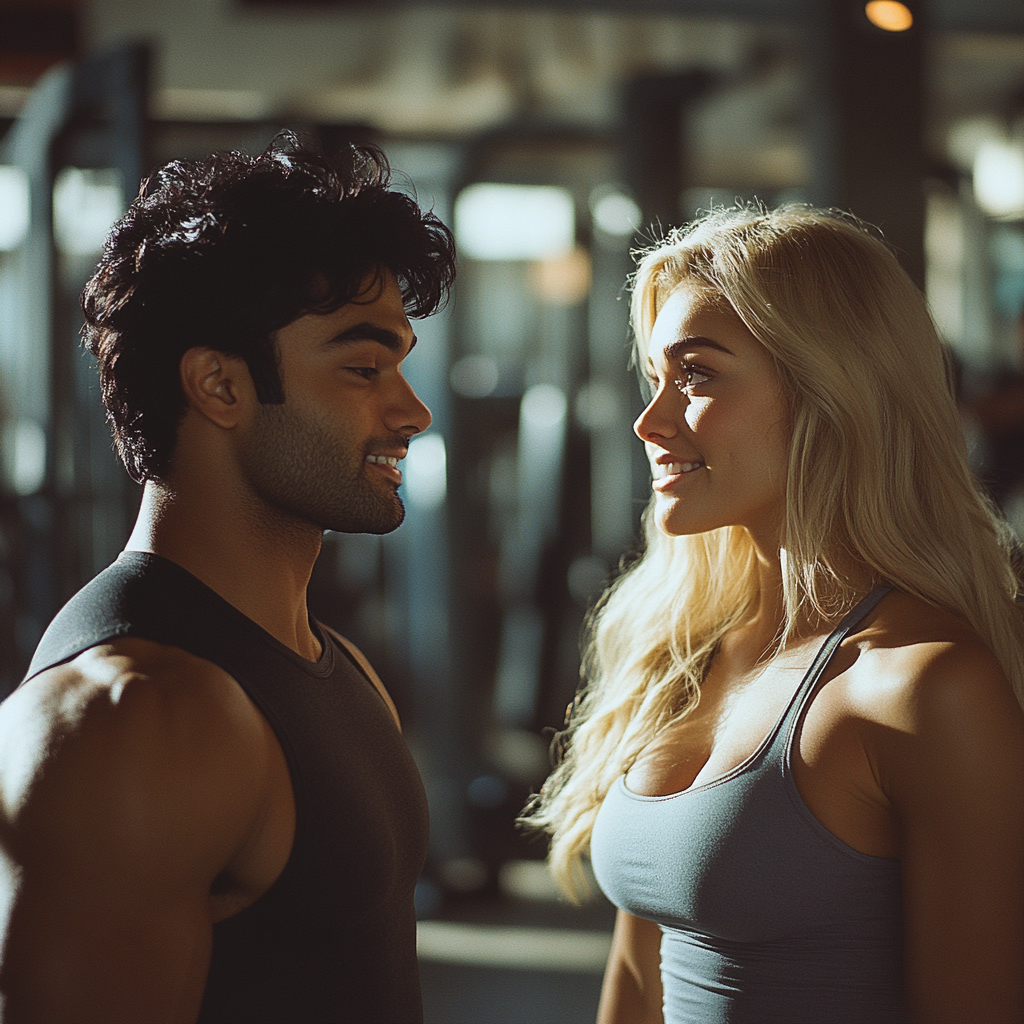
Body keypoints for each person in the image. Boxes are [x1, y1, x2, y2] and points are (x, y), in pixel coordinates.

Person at [523, 206, 1024, 1024]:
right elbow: (639, 979)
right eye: (655, 378)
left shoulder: (928, 687)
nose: (650, 423)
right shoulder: (687, 650)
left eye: (697, 375)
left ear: (834, 389)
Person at [0, 133, 455, 1023]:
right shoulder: (133, 722)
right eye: (364, 368)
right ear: (219, 385)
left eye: (400, 364)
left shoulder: (336, 667)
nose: (412, 410)